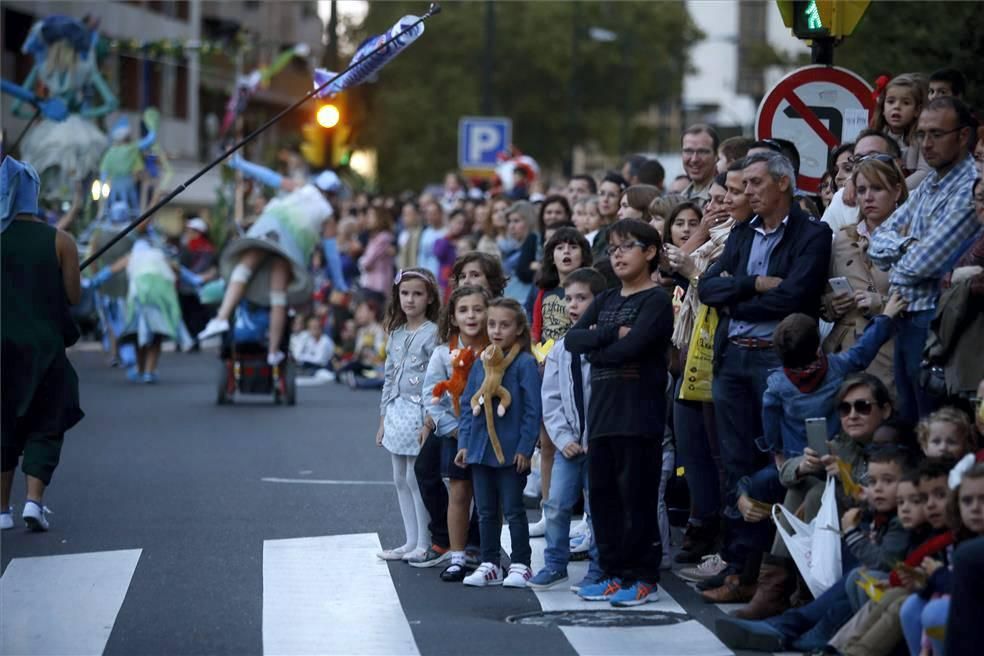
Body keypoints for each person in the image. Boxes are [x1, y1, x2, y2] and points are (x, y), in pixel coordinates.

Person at [696, 152, 832, 588]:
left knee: (779, 460)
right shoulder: (741, 233)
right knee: (735, 462)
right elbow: (708, 288)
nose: (747, 192)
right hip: (733, 356)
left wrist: (734, 296)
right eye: (744, 184)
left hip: (778, 362)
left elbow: (795, 297)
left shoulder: (813, 233)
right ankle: (739, 568)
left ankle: (781, 577)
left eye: (755, 183)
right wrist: (751, 284)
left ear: (783, 184)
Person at [566, 219, 674, 606]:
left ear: (649, 252)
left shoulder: (656, 301)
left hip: (639, 415)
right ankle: (611, 572)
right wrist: (611, 335)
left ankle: (642, 577)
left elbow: (637, 347)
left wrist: (600, 348)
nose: (618, 255)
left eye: (627, 247)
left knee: (637, 499)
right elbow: (573, 339)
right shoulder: (608, 299)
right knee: (605, 498)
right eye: (612, 249)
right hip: (603, 416)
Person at [869, 96, 982, 422]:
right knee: (911, 427)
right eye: (921, 134)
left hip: (937, 322)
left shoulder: (968, 187)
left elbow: (921, 265)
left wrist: (902, 255)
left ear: (962, 136)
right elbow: (877, 242)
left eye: (936, 134)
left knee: (936, 430)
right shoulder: (931, 182)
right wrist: (910, 247)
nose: (927, 143)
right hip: (907, 318)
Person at [1, 157, 84, 533]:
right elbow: (72, 296)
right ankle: (34, 502)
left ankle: (2, 510)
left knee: (3, 423)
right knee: (46, 421)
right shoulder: (61, 241)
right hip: (45, 348)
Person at [198, 160, 338, 367]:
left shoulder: (303, 189)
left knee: (245, 264)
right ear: (333, 194)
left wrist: (241, 164)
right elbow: (332, 253)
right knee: (278, 296)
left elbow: (269, 176)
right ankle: (273, 352)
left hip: (273, 227)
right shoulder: (328, 215)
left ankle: (221, 317)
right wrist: (340, 283)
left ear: (317, 185)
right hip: (293, 246)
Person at [529, 267, 608, 590]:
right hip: (569, 445)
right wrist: (563, 438)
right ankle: (555, 563)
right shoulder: (561, 348)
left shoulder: (606, 343)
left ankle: (599, 566)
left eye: (582, 298)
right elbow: (552, 398)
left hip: (600, 444)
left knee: (599, 508)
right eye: (569, 299)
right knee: (557, 504)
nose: (573, 305)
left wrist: (595, 439)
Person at [456, 298, 542, 588]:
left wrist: (525, 448)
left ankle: (521, 563)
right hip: (480, 450)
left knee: (515, 508)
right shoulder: (483, 359)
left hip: (510, 451)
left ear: (519, 329)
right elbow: (469, 404)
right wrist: (464, 444)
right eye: (492, 324)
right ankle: (490, 563)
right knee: (485, 510)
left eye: (504, 325)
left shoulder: (525, 363)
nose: (496, 330)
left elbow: (533, 409)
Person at [421, 285, 490, 580]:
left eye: (478, 309)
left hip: (489, 435)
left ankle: (487, 555)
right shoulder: (442, 354)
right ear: (453, 317)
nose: (471, 315)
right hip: (455, 435)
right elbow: (431, 397)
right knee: (459, 493)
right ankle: (457, 555)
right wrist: (451, 430)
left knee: (489, 496)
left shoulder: (496, 350)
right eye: (463, 310)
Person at [823, 156, 908, 392]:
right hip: (844, 354)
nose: (868, 197)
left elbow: (929, 300)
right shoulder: (841, 238)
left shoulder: (912, 238)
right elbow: (823, 298)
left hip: (892, 350)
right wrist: (832, 305)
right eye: (861, 190)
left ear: (897, 191)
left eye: (877, 188)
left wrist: (879, 303)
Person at [375, 269, 440, 562]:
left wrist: (430, 419)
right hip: (396, 411)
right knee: (399, 478)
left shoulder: (433, 333)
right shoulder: (396, 333)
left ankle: (425, 543)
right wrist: (382, 419)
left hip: (418, 411)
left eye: (417, 294)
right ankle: (409, 539)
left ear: (429, 298)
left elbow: (435, 378)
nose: (410, 299)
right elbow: (389, 376)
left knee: (416, 478)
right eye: (405, 293)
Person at [901, 459, 984, 656]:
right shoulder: (960, 537)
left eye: (983, 499)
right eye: (967, 500)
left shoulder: (970, 552)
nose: (975, 507)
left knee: (936, 613)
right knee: (911, 607)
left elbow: (965, 594)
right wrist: (924, 581)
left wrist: (938, 574)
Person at [870, 73, 930, 188]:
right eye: (891, 101)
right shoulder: (876, 137)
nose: (897, 107)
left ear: (917, 110)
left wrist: (895, 190)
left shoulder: (922, 138)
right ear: (882, 107)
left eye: (906, 103)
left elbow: (924, 172)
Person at [177, 216, 217, 349]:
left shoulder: (195, 247)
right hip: (196, 287)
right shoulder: (208, 247)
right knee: (195, 315)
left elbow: (185, 266)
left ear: (198, 232)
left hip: (191, 288)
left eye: (191, 230)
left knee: (191, 315)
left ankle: (191, 340)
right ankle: (193, 340)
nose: (188, 232)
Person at [681, 124, 719, 208]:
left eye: (702, 152)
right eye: (688, 151)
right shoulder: (680, 198)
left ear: (716, 155)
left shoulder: (724, 200)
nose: (694, 159)